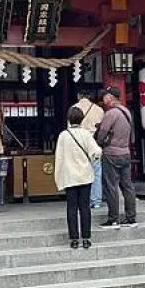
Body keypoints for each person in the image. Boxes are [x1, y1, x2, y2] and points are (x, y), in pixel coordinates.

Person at [54, 106, 102, 249]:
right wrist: (94, 160)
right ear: (82, 119)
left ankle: (74, 239)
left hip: (69, 176)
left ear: (69, 119)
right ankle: (86, 238)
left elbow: (59, 158)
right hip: (85, 175)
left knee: (72, 208)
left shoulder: (63, 135)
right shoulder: (86, 134)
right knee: (85, 207)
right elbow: (96, 152)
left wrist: (58, 178)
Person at [95, 86, 138, 229]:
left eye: (105, 96)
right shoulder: (126, 112)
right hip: (125, 152)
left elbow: (102, 135)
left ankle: (113, 219)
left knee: (111, 186)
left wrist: (98, 143)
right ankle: (131, 217)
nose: (103, 99)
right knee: (127, 185)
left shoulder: (111, 114)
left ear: (110, 97)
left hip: (111, 153)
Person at [71, 89, 105, 208]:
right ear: (89, 96)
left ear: (78, 95)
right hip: (94, 143)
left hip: (78, 144)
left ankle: (83, 200)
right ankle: (96, 200)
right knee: (96, 172)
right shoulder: (99, 109)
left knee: (80, 172)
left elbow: (70, 129)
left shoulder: (74, 108)